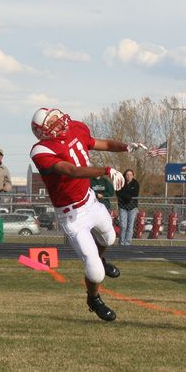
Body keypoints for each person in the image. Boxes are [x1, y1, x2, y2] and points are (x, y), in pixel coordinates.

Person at [30, 107, 146, 321]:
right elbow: (72, 171)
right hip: (72, 215)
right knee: (95, 273)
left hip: (90, 201)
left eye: (57, 117)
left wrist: (126, 147)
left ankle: (101, 259)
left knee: (110, 238)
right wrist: (106, 171)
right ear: (43, 132)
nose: (59, 121)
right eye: (52, 122)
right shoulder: (41, 151)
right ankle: (93, 298)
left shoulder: (75, 127)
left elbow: (101, 144)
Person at [116, 169, 140, 246]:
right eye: (127, 175)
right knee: (123, 225)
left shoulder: (136, 184)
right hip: (123, 206)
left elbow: (135, 194)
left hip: (132, 207)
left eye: (130, 175)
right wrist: (127, 196)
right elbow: (118, 192)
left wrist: (125, 195)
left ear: (133, 176)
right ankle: (121, 242)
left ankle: (127, 243)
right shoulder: (121, 182)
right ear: (125, 175)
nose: (129, 176)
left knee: (130, 226)